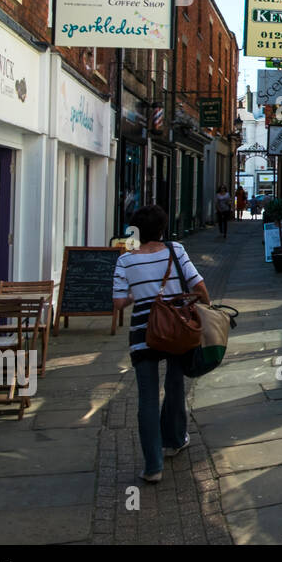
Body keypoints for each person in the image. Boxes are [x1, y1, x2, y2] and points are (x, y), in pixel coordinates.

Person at [112, 205, 210, 484]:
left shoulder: (125, 261)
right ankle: (175, 440)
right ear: (162, 229)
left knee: (147, 397)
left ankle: (153, 466)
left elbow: (118, 303)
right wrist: (208, 311)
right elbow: (198, 285)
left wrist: (138, 293)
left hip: (144, 334)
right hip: (177, 327)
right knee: (176, 384)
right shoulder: (175, 250)